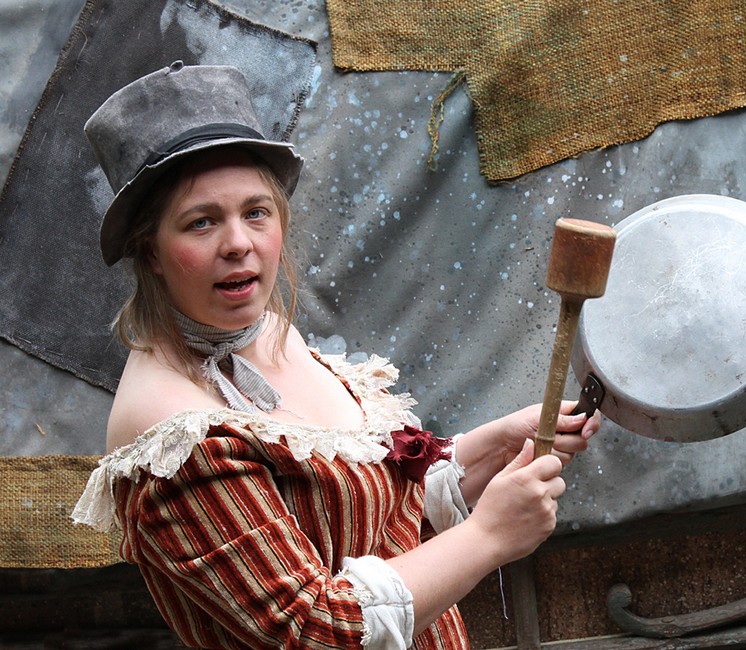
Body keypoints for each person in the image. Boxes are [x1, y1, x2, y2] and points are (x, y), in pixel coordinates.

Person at [72, 62, 600, 650]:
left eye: (255, 212)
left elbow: (365, 517)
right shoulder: (174, 438)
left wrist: (490, 449)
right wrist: (489, 536)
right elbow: (316, 630)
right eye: (201, 223)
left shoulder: (265, 334)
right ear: (149, 251)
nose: (239, 243)